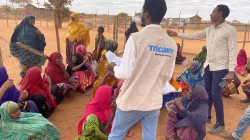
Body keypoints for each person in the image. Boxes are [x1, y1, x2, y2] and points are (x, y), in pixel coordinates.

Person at [108, 0, 177, 139]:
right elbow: (168, 75)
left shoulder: (135, 39)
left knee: (116, 135)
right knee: (149, 137)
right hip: (153, 102)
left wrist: (115, 68)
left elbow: (126, 73)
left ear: (146, 14)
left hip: (131, 101)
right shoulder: (172, 44)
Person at [167, 5, 237, 134]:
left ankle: (220, 123)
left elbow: (233, 51)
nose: (210, 14)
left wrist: (231, 71)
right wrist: (176, 33)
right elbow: (194, 35)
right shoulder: (210, 29)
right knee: (206, 93)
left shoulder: (230, 30)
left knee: (216, 94)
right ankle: (207, 117)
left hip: (221, 68)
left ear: (220, 13)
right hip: (209, 66)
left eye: (213, 12)